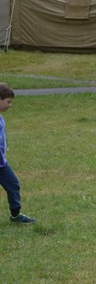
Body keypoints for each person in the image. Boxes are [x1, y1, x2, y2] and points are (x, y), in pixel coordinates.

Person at [0, 83, 36, 224]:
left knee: (13, 184)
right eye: (8, 102)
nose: (10, 105)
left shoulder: (1, 118)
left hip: (1, 163)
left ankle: (16, 215)